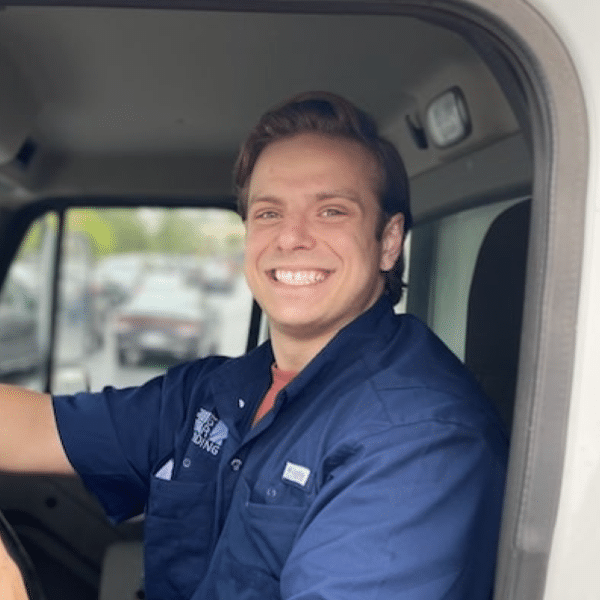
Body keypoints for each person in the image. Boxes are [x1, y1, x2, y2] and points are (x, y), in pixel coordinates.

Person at [0, 91, 508, 600]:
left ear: (388, 241)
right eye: (268, 213)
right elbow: (34, 429)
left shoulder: (418, 441)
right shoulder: (218, 390)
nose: (291, 237)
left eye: (331, 211)